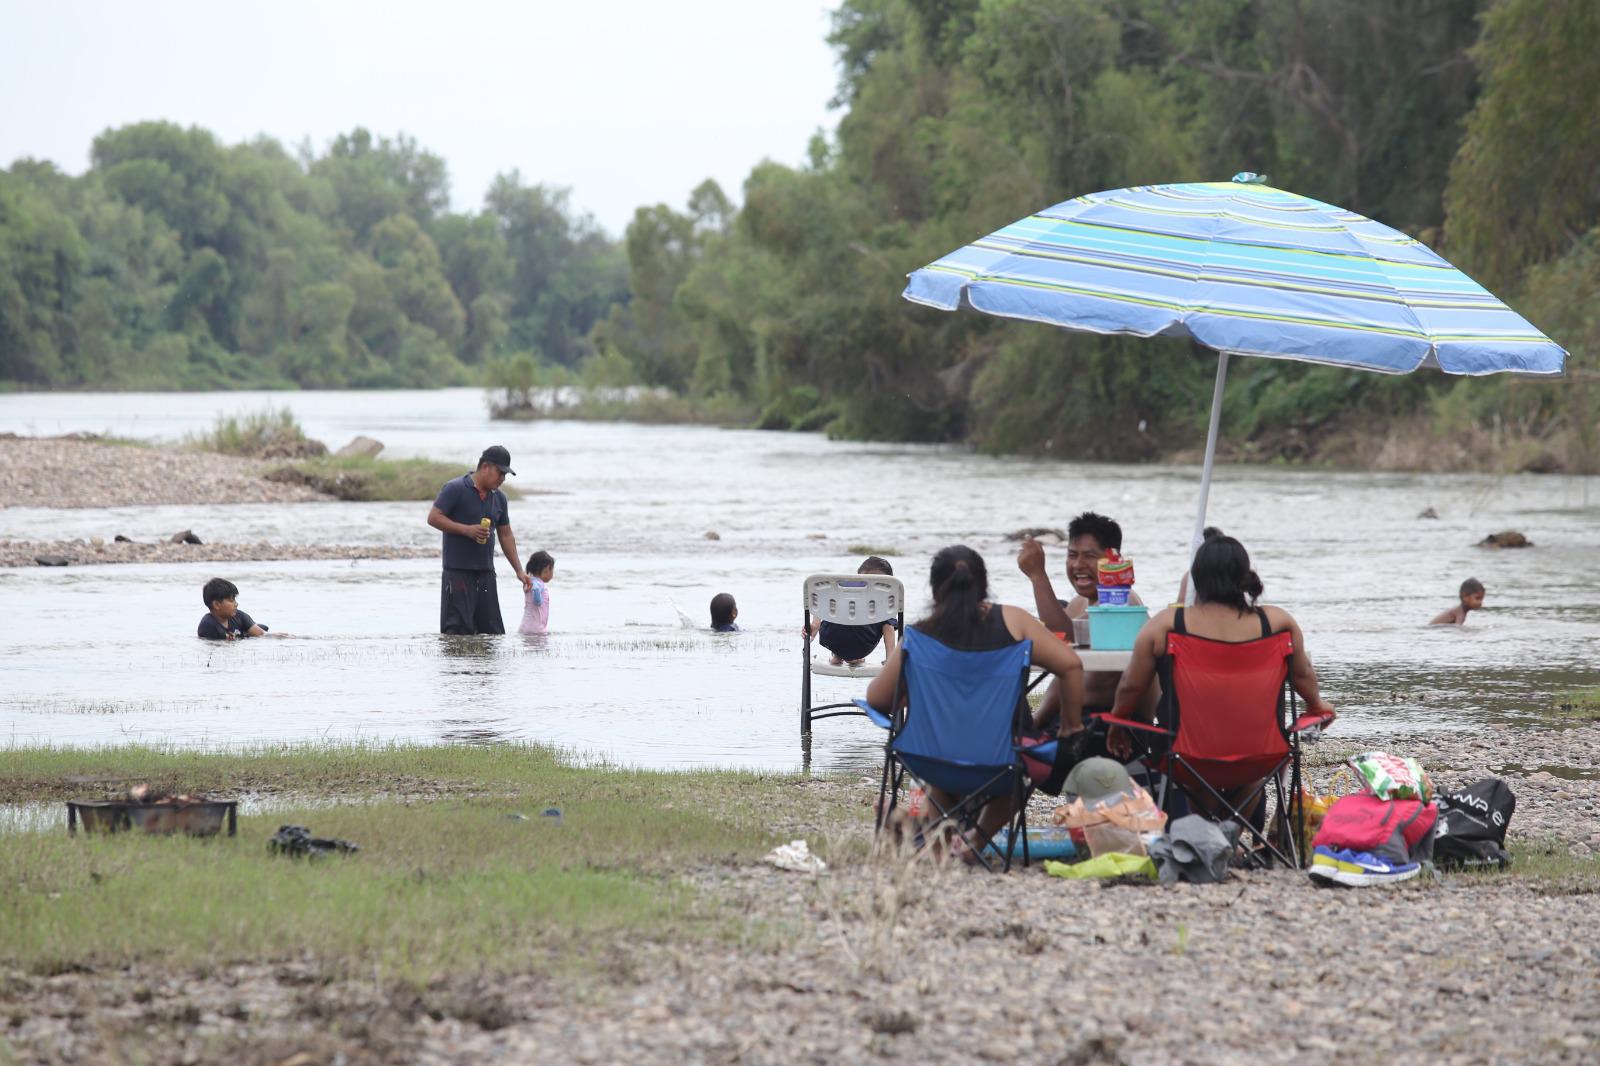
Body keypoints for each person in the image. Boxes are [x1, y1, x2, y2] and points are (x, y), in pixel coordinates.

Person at [865, 545, 1087, 855]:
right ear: (984, 585)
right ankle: (975, 842)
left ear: (934, 589)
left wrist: (910, 693)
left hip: (930, 757)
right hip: (1001, 759)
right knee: (1027, 764)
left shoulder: (918, 636)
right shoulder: (1014, 621)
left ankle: (937, 832)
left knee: (945, 762)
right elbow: (1071, 665)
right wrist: (1071, 726)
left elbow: (875, 699)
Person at [1105, 531, 1335, 805]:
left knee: (1197, 769)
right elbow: (1302, 675)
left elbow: (1132, 685)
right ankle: (1231, 834)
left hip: (1187, 757)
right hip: (1264, 757)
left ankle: (1211, 837)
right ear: (1243, 575)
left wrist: (1117, 725)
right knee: (1251, 771)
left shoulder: (1167, 625)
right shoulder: (1277, 622)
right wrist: (1317, 705)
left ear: (1196, 578)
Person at [1018, 511, 1148, 733]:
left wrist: (1038, 575)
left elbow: (1064, 637)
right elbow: (1062, 663)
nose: (1078, 564)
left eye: (1089, 556)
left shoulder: (1121, 602)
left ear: (1113, 558)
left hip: (1115, 727)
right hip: (1075, 719)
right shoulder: (1080, 603)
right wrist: (1035, 723)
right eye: (1072, 555)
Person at [426, 445, 532, 635]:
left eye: (505, 475)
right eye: (500, 473)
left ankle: (485, 667)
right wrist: (467, 530)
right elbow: (433, 517)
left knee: (492, 634)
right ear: (485, 467)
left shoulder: (499, 498)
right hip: (457, 573)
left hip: (486, 574)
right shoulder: (455, 488)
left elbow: (506, 534)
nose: (502, 479)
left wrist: (519, 570)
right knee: (457, 634)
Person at [803, 555, 899, 665]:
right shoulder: (885, 599)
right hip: (864, 644)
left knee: (838, 608)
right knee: (887, 617)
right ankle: (890, 658)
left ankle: (837, 655)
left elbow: (821, 595)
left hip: (831, 639)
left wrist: (815, 624)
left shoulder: (844, 585)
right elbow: (888, 627)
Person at [196, 577, 274, 641]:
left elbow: (261, 634)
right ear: (217, 605)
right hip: (232, 637)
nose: (236, 604)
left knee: (264, 628)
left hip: (243, 634)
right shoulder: (208, 625)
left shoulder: (239, 615)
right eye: (231, 600)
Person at [519, 550, 555, 635]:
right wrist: (537, 598)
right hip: (536, 629)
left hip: (525, 626)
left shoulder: (528, 581)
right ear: (546, 569)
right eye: (552, 570)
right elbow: (536, 596)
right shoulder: (537, 584)